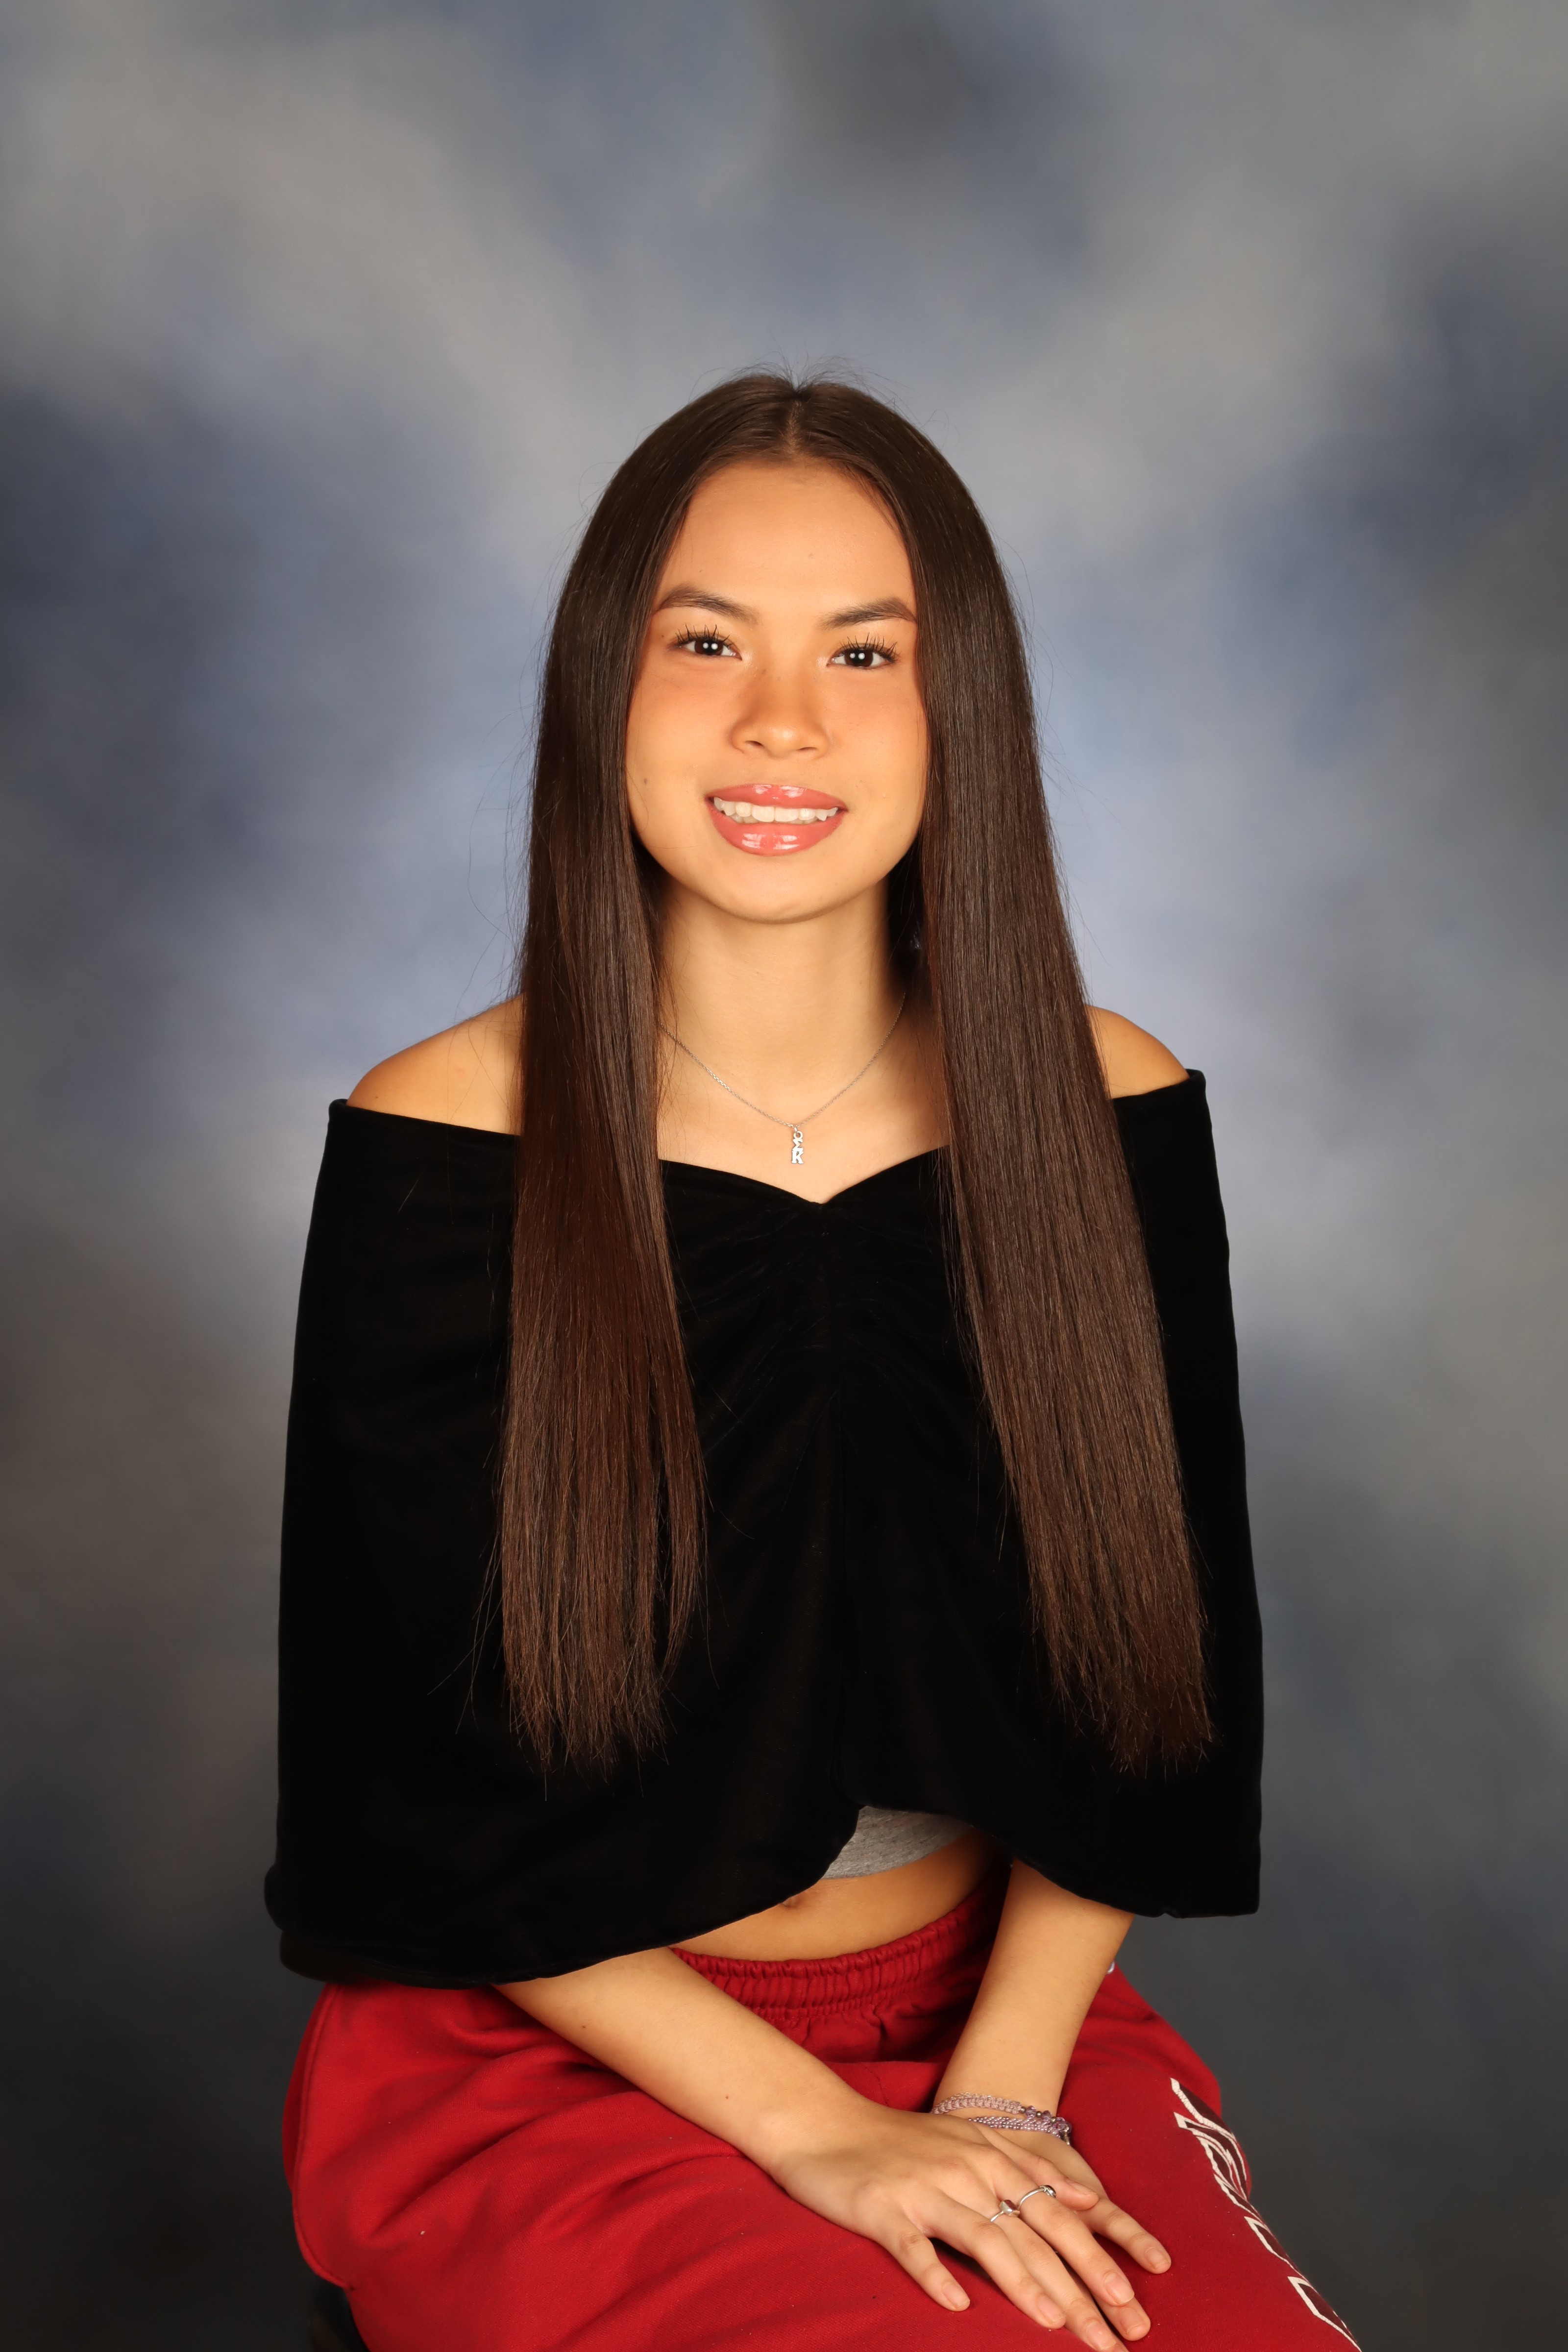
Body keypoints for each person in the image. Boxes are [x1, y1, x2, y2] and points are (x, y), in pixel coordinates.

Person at [267, 375, 1357, 2351]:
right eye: (704, 644)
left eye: (865, 652)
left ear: (962, 712)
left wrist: (1001, 2093)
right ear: (601, 689)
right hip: (559, 2037)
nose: (782, 720)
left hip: (989, 2018)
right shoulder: (449, 1133)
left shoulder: (1102, 1102)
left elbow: (1154, 1690)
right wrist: (820, 2140)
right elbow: (406, 1798)